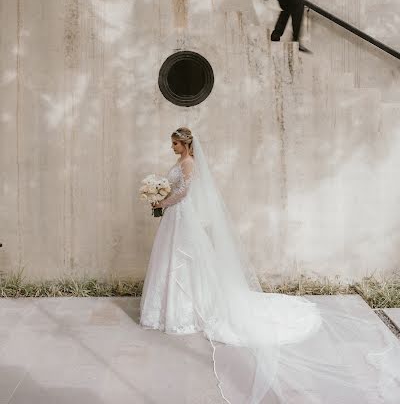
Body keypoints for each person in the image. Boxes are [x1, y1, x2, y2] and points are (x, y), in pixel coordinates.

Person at [140, 128, 400, 403]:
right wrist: (160, 197)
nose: (172, 147)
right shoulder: (180, 163)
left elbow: (183, 193)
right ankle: (173, 308)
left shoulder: (189, 163)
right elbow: (176, 189)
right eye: (172, 143)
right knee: (173, 260)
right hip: (176, 218)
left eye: (175, 143)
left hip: (182, 216)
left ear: (185, 144)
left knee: (185, 260)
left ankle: (188, 311)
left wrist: (162, 200)